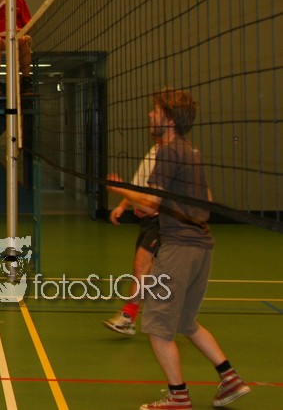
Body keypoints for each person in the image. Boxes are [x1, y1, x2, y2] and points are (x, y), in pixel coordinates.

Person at [108, 89, 250, 410]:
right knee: (186, 321)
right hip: (202, 246)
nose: (150, 116)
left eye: (155, 112)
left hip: (180, 248)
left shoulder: (169, 152)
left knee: (157, 326)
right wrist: (162, 205)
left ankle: (178, 396)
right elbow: (206, 199)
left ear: (169, 120)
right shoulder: (191, 151)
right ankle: (230, 378)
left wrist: (121, 191)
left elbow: (152, 202)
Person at [102, 141, 160, 335]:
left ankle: (128, 318)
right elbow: (138, 187)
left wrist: (151, 206)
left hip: (162, 221)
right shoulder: (153, 152)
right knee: (149, 271)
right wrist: (122, 205)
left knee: (141, 266)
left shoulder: (173, 155)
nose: (151, 125)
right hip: (149, 220)